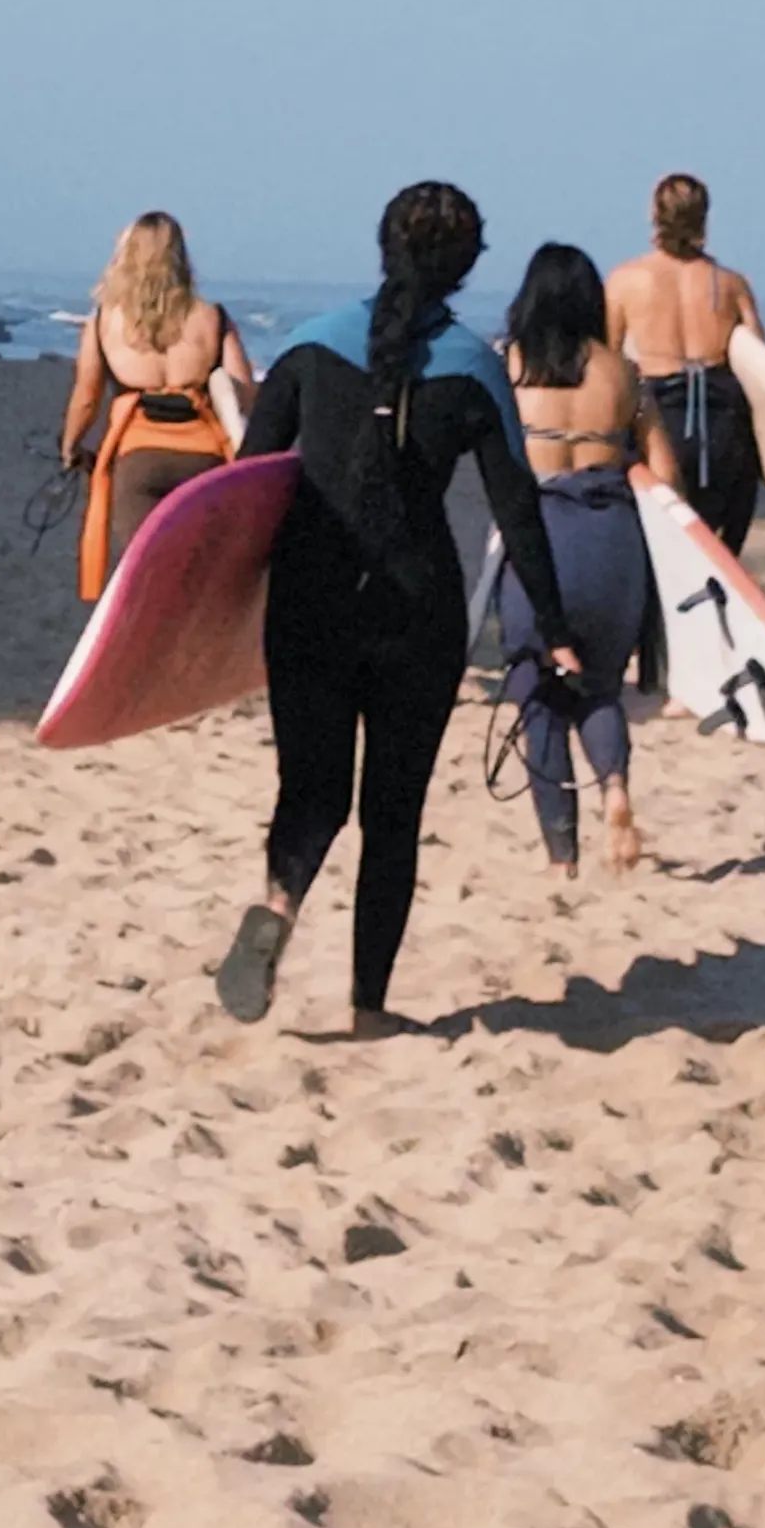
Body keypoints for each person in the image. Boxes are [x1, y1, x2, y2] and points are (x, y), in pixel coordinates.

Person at [217, 182, 580, 1038]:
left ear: (382, 246)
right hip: (418, 614)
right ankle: (370, 1007)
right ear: (465, 269)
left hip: (308, 602)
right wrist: (555, 631)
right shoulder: (475, 368)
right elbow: (517, 509)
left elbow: (239, 489)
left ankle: (278, 900)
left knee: (311, 790)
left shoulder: (308, 349)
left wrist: (208, 610)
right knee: (393, 813)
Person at [497, 241, 656, 875]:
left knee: (538, 700)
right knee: (598, 690)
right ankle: (614, 787)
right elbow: (663, 475)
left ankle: (562, 856)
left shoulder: (506, 368)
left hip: (537, 540)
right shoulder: (625, 375)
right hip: (611, 538)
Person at [59, 215, 259, 600]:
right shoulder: (212, 318)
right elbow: (245, 391)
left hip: (139, 461)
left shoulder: (105, 321)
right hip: (206, 462)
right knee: (204, 578)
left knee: (149, 574)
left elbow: (87, 396)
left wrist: (71, 446)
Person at [607, 173, 765, 557]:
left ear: (654, 215)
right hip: (723, 424)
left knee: (660, 542)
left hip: (660, 420)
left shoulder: (625, 279)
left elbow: (609, 364)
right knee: (716, 543)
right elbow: (760, 362)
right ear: (704, 217)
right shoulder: (732, 284)